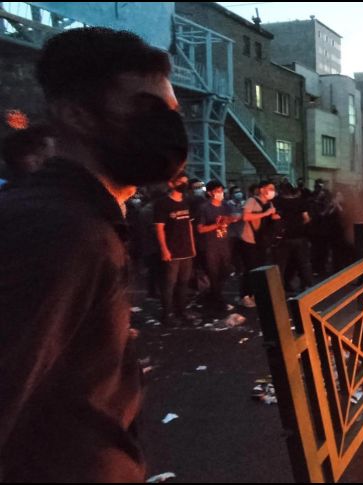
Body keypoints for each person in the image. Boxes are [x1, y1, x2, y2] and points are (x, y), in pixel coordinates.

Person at [0, 27, 187, 482]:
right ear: (75, 115)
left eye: (170, 112)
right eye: (145, 109)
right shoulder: (63, 232)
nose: (166, 127)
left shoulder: (82, 218)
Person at [155, 172, 197, 325]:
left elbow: (189, 225)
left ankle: (182, 311)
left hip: (186, 250)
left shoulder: (186, 202)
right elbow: (159, 228)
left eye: (185, 182)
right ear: (171, 184)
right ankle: (167, 314)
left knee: (183, 283)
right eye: (180, 182)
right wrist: (164, 249)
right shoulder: (162, 203)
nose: (183, 184)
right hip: (172, 251)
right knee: (169, 284)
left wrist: (192, 246)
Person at [238, 181, 280, 308]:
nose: (272, 191)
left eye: (273, 188)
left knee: (259, 268)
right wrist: (265, 214)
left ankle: (255, 295)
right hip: (249, 239)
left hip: (263, 240)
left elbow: (269, 220)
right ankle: (245, 296)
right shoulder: (252, 201)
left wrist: (274, 218)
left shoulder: (270, 203)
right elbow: (245, 217)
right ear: (262, 190)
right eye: (270, 188)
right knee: (250, 268)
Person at [197, 180, 236, 313]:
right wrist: (216, 225)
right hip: (210, 245)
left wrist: (231, 219)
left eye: (221, 190)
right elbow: (200, 229)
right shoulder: (204, 208)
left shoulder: (225, 206)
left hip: (224, 242)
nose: (220, 193)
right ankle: (217, 301)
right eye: (217, 191)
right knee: (213, 272)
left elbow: (232, 217)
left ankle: (213, 295)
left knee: (225, 271)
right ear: (210, 193)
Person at [274, 183, 313, 293]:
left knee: (281, 265)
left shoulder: (277, 201)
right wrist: (299, 225)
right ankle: (307, 286)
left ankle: (278, 289)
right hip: (300, 236)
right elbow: (306, 218)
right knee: (303, 263)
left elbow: (275, 217)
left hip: (283, 237)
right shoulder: (301, 201)